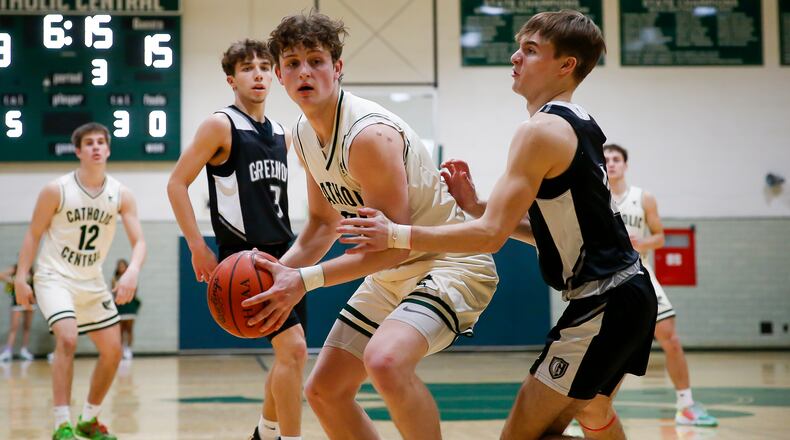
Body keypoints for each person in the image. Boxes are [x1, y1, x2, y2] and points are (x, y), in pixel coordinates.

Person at [336, 10, 657, 440]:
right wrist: (477, 204)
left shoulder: (539, 131)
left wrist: (396, 234)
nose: (514, 57)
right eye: (518, 47)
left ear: (566, 65)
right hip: (627, 294)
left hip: (606, 300)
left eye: (530, 50)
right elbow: (553, 231)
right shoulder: (581, 122)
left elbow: (489, 236)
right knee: (594, 415)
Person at [242, 12, 498, 440]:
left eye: (316, 60)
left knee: (385, 361)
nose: (304, 71)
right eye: (292, 63)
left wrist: (302, 281)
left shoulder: (368, 135)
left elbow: (394, 244)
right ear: (280, 77)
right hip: (392, 273)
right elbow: (323, 224)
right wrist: (276, 276)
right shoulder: (303, 134)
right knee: (325, 390)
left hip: (449, 263)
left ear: (337, 68)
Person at [166, 39, 306, 440]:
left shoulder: (283, 132)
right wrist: (197, 245)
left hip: (289, 256)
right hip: (247, 257)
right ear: (231, 79)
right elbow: (176, 183)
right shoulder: (220, 125)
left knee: (290, 358)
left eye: (265, 66)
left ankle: (265, 432)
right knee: (294, 351)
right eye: (248, 68)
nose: (258, 73)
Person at [14, 122, 146, 440]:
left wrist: (132, 271)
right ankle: (62, 422)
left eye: (102, 142)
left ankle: (89, 420)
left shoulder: (120, 194)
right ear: (78, 151)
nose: (97, 147)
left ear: (109, 149)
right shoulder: (56, 190)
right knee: (68, 339)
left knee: (113, 351)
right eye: (89, 143)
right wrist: (21, 277)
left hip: (92, 281)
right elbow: (33, 234)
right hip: (53, 277)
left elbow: (139, 241)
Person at [604, 143, 717, 427]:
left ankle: (686, 406)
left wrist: (643, 242)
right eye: (606, 159)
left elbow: (660, 237)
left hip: (640, 272)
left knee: (671, 339)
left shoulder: (644, 198)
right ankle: (588, 410)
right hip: (608, 277)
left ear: (625, 165)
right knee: (607, 349)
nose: (612, 164)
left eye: (617, 159)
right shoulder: (596, 198)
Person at [0, 263, 36, 362]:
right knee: (14, 327)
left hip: (30, 303)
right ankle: (8, 351)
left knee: (27, 327)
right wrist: (12, 281)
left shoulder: (32, 270)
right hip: (17, 302)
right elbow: (1, 275)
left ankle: (24, 350)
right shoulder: (15, 269)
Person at [112, 259, 141, 360]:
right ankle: (121, 349)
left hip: (129, 305)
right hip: (120, 306)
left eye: (123, 266)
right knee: (120, 330)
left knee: (129, 329)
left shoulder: (132, 277)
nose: (121, 268)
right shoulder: (114, 279)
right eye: (120, 266)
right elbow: (114, 293)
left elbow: (135, 290)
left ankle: (128, 349)